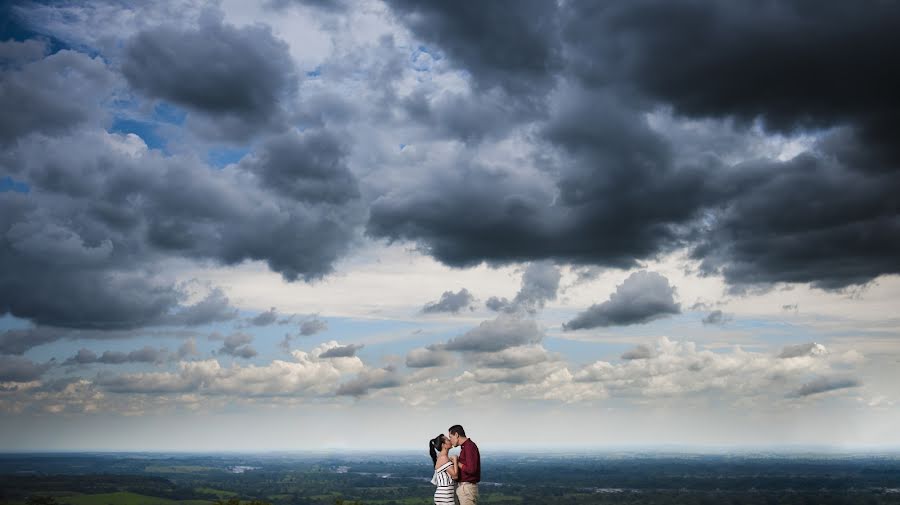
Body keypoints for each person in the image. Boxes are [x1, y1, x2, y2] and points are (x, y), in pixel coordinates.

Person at [448, 424, 479, 505]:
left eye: (450, 437)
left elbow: (471, 469)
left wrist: (456, 462)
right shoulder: (465, 447)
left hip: (467, 489)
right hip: (464, 488)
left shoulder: (469, 446)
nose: (450, 440)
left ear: (456, 435)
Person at [429, 433, 458, 505]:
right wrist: (455, 460)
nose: (450, 440)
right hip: (446, 495)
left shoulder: (440, 457)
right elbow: (455, 476)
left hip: (442, 494)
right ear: (443, 445)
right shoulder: (443, 458)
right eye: (448, 440)